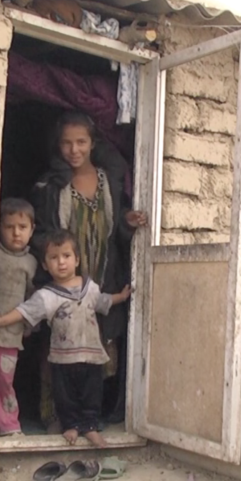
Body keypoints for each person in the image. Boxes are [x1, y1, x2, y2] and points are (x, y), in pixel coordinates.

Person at [30, 111, 147, 432]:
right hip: (63, 279)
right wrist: (58, 267)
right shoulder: (52, 184)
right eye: (66, 143)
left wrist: (127, 222)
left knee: (98, 349)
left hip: (101, 274)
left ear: (93, 143)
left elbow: (113, 228)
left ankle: (90, 418)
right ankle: (55, 415)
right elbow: (41, 232)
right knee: (60, 346)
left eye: (81, 142)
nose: (74, 150)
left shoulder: (108, 181)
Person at [0, 229, 132, 447]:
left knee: (92, 394)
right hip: (62, 358)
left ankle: (90, 427)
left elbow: (102, 301)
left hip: (91, 355)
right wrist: (2, 320)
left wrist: (121, 297)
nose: (61, 262)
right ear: (45, 265)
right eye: (54, 258)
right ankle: (71, 426)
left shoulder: (89, 287)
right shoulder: (46, 295)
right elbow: (25, 310)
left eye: (66, 256)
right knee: (65, 396)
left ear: (77, 260)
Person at [0, 198, 38, 437]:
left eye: (22, 227)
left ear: (32, 230)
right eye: (9, 227)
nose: (16, 233)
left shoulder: (31, 263)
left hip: (11, 335)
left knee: (4, 380)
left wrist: (28, 326)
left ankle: (8, 424)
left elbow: (32, 299)